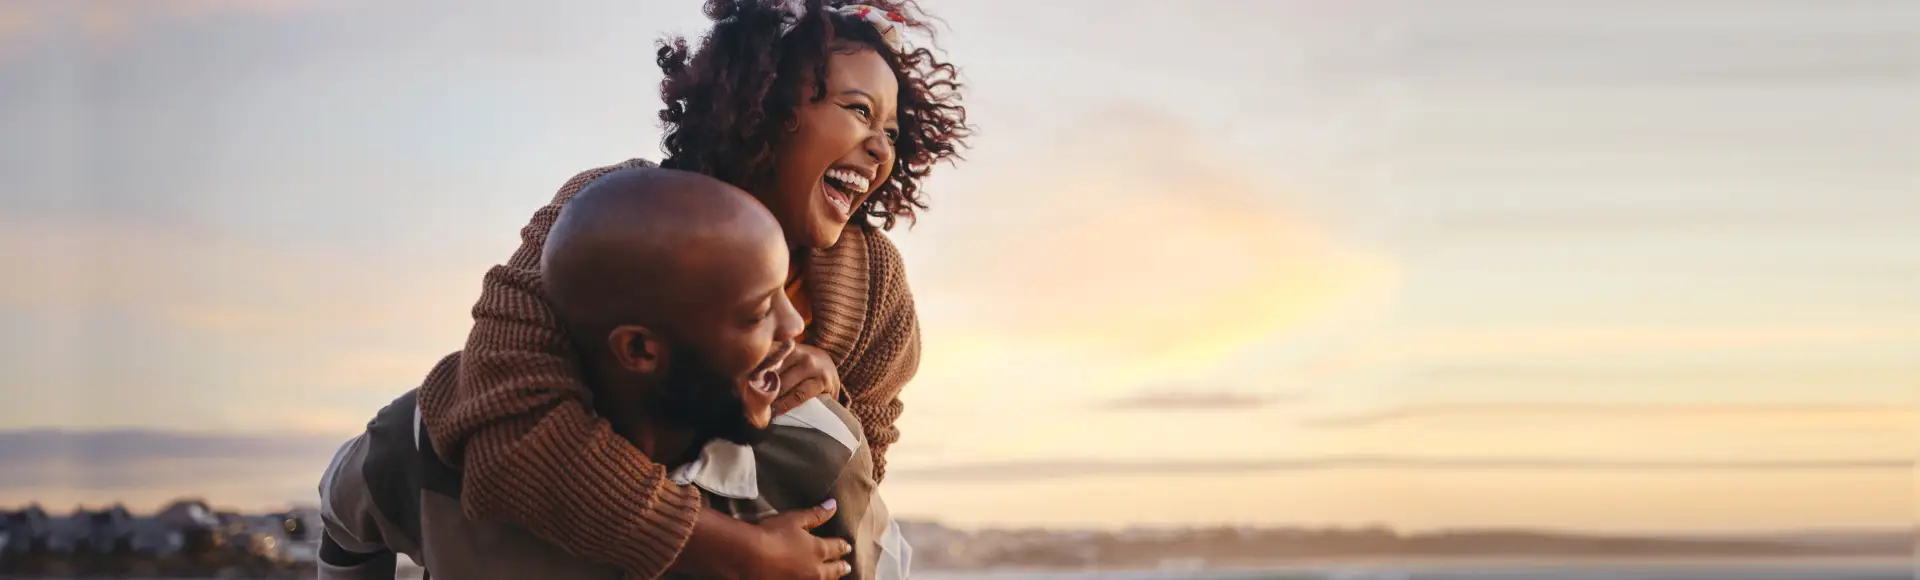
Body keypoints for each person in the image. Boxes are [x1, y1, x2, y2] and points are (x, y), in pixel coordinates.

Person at [412, 1, 970, 578]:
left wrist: (831, 396)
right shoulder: (608, 213)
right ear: (765, 102)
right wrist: (726, 549)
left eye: (891, 131)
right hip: (557, 541)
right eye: (858, 110)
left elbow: (858, 475)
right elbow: (509, 430)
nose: (882, 148)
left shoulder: (875, 284)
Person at [318, 168, 910, 580]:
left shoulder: (819, 456)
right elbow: (344, 522)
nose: (793, 327)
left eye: (785, 292)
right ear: (639, 349)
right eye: (757, 312)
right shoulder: (430, 441)